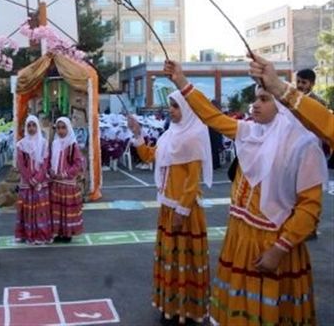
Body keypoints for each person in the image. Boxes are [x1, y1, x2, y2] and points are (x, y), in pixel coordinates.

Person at [166, 60, 328, 326]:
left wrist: (278, 249)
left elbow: (310, 209)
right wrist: (182, 82)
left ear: (283, 106)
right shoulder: (250, 132)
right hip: (239, 239)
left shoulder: (302, 146)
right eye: (255, 99)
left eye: (265, 99)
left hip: (274, 245)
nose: (255, 105)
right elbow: (212, 117)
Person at [128, 92, 213, 324]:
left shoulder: (194, 137)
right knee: (170, 260)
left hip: (185, 212)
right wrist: (137, 133)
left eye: (176, 106)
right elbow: (148, 157)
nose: (171, 110)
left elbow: (192, 181)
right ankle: (172, 307)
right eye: (170, 106)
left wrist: (181, 211)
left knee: (186, 262)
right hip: (168, 208)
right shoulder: (169, 136)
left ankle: (188, 310)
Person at [249, 54, 334, 147]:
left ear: (312, 84)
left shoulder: (320, 103)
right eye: (298, 81)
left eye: (304, 82)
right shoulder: (287, 99)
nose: (300, 85)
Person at [15, 115, 53, 245]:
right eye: (29, 125)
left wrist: (37, 179)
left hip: (40, 183)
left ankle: (41, 235)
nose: (31, 128)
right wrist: (30, 179)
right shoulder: (21, 144)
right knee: (27, 210)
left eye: (34, 125)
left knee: (40, 211)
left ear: (38, 126)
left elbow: (45, 163)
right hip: (27, 183)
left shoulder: (44, 143)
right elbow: (21, 164)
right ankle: (28, 234)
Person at [49, 117, 84, 243]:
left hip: (67, 183)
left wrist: (65, 174)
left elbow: (78, 164)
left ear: (68, 128)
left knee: (67, 209)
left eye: (63, 127)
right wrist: (51, 171)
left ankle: (68, 233)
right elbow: (51, 161)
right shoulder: (55, 143)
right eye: (58, 128)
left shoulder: (72, 145)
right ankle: (59, 233)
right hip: (56, 183)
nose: (60, 131)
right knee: (57, 210)